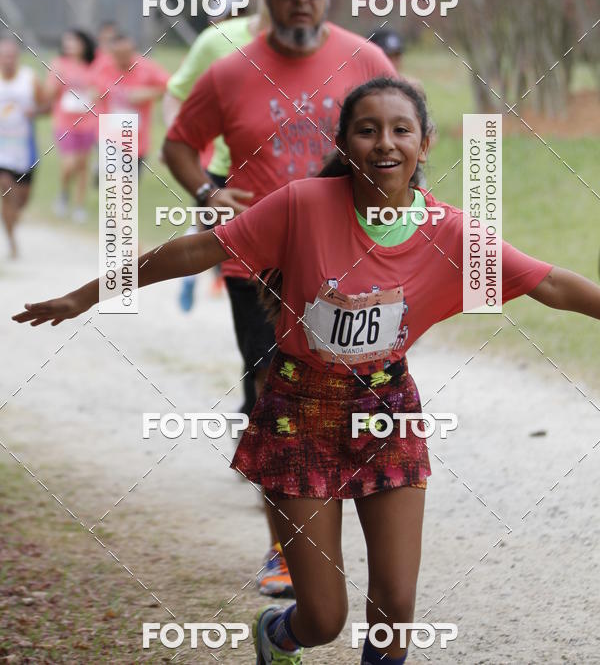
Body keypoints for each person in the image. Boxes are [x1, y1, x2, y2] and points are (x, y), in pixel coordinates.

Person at [14, 76, 600, 665]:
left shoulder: (450, 232)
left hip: (386, 414)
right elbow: (198, 251)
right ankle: (278, 634)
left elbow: (548, 282)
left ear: (426, 145)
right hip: (298, 414)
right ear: (344, 144)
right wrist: (87, 295)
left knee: (396, 609)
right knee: (323, 618)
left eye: (401, 130)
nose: (385, 143)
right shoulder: (302, 205)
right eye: (367, 130)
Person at [162, 0, 397, 596]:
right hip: (257, 266)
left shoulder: (366, 59)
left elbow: (405, 136)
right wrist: (208, 193)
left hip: (353, 262)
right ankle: (288, 552)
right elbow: (179, 144)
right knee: (276, 399)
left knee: (357, 402)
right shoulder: (230, 70)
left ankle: (363, 540)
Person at [163, 0, 270, 312]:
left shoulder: (270, 42)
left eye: (227, 16)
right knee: (207, 228)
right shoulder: (209, 48)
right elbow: (175, 93)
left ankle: (219, 280)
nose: (220, 24)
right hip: (216, 161)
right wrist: (177, 139)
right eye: (217, 18)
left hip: (266, 166)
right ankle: (194, 279)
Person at [46, 29, 100, 223]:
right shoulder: (59, 64)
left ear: (83, 44)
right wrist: (57, 80)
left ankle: (79, 206)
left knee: (83, 166)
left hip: (88, 122)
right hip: (64, 122)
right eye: (67, 41)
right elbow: (50, 93)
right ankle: (63, 194)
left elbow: (100, 89)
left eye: (74, 42)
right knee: (69, 164)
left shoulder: (93, 65)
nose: (69, 45)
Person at [95, 32, 170, 173]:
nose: (123, 58)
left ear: (133, 51)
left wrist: (148, 93)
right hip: (110, 136)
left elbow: (172, 87)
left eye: (126, 53)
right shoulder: (103, 67)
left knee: (129, 187)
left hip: (137, 139)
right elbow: (91, 90)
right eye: (118, 54)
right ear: (111, 53)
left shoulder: (147, 68)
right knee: (116, 185)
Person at [0, 37, 46, 257]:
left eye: (12, 56)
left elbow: (46, 106)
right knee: (6, 188)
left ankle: (11, 220)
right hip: (2, 150)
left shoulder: (29, 79)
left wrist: (35, 111)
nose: (8, 60)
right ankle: (11, 242)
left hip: (25, 150)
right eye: (4, 56)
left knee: (22, 199)